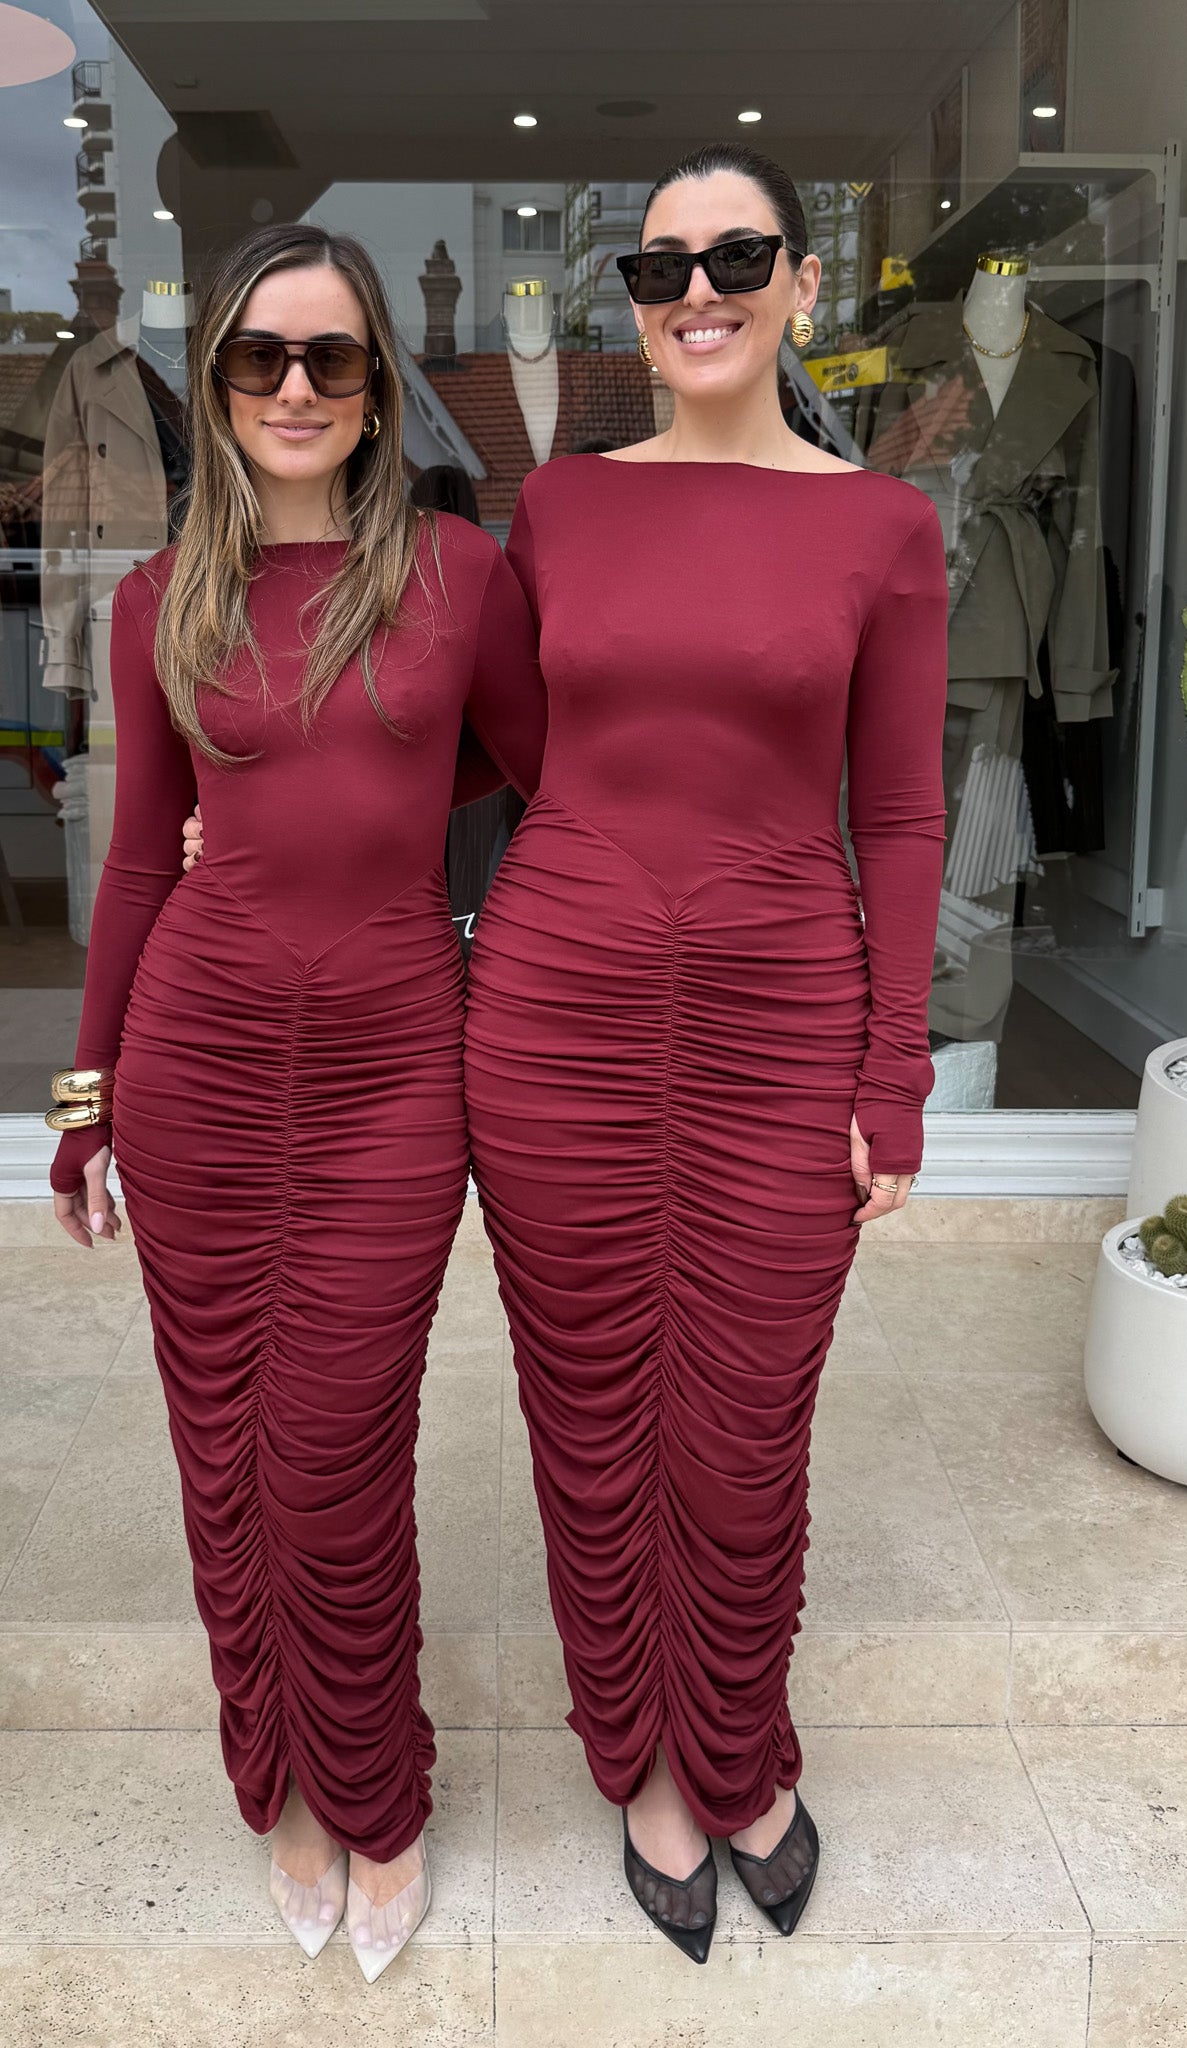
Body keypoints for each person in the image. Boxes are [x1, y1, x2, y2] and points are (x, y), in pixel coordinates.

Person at [462, 144, 947, 1960]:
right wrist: (262, 806)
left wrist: (892, 1071)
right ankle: (642, 1765)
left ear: (803, 286)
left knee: (746, 1424)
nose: (696, 291)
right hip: (557, 1014)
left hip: (780, 1021)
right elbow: (494, 740)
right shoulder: (561, 507)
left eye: (737, 256)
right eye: (658, 266)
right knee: (591, 1417)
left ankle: (736, 1750)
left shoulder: (882, 528)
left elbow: (900, 816)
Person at [47, 221, 545, 1983]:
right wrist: (87, 1099)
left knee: (335, 1455)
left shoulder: (462, 575)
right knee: (226, 1459)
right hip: (198, 1064)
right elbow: (135, 861)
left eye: (331, 358)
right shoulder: (157, 598)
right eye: (259, 358)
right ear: (215, 383)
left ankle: (377, 1791)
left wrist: (380, 799)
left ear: (378, 386)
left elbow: (532, 765)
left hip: (395, 1073)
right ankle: (281, 1785)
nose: (294, 389)